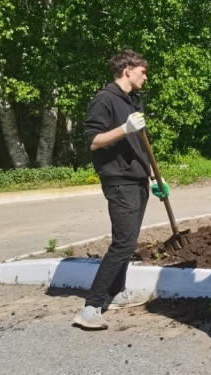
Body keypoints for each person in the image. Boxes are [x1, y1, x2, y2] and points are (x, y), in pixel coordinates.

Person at [74, 49, 169, 330]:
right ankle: (90, 307)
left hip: (137, 179)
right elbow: (92, 140)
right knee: (123, 243)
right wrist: (124, 128)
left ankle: (116, 292)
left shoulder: (131, 100)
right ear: (127, 69)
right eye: (142, 71)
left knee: (129, 241)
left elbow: (139, 144)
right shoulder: (104, 99)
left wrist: (154, 176)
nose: (146, 76)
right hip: (119, 182)